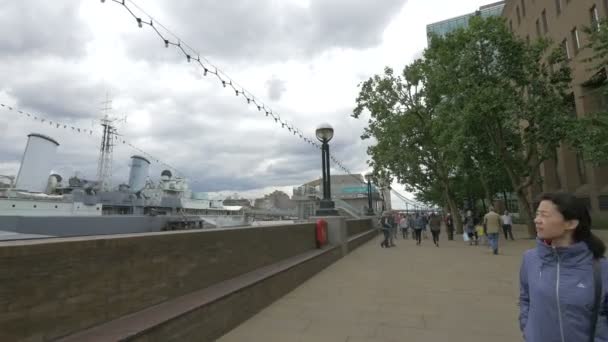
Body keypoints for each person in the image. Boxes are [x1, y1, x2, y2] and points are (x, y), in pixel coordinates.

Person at [519, 192, 608, 341]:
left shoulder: (601, 268)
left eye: (544, 215)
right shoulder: (530, 259)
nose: (536, 220)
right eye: (537, 214)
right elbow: (525, 298)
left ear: (571, 224)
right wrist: (527, 328)